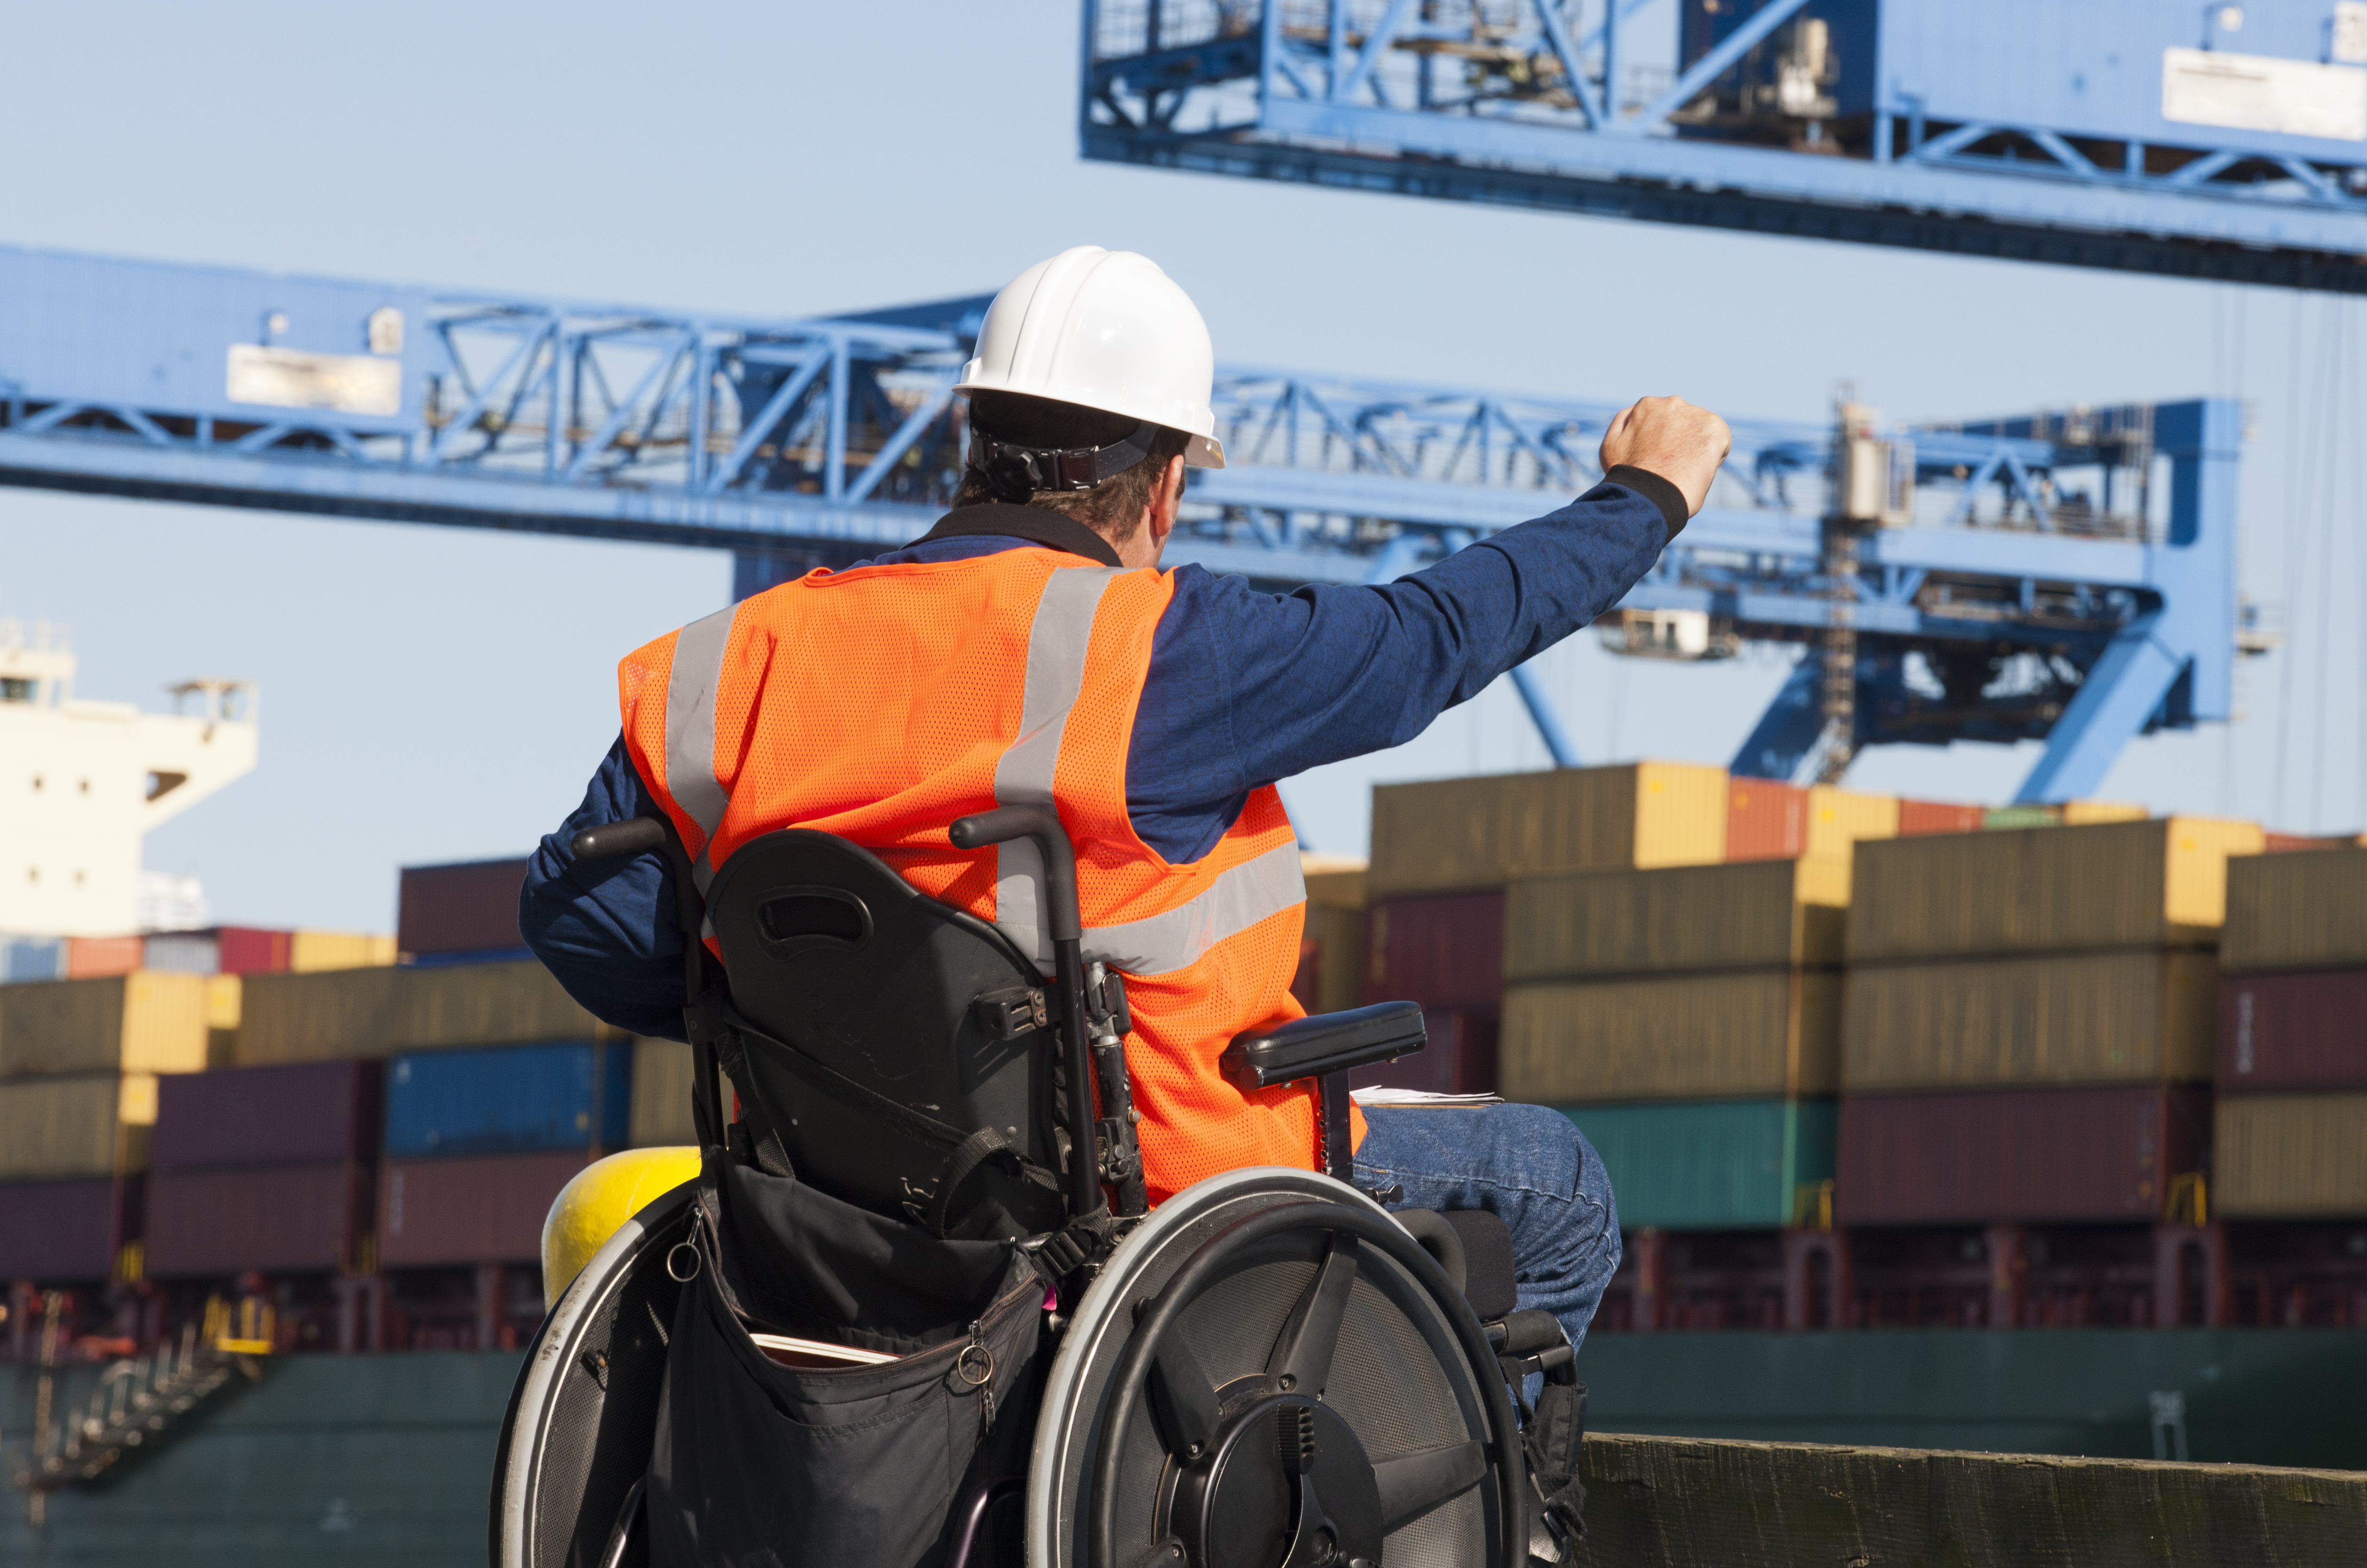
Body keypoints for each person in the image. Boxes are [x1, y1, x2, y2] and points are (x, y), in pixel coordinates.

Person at [520, 244, 1731, 1364]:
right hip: (1160, 1188)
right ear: (1162, 488)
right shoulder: (1159, 650)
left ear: (968, 438)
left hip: (833, 1196)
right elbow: (1436, 635)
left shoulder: (726, 665)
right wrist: (1644, 500)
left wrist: (837, 1046)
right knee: (1556, 1184)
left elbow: (587, 921)